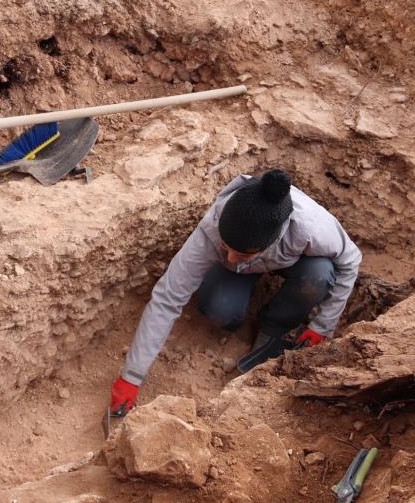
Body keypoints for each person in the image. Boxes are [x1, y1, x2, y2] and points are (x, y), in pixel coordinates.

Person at [109, 168, 362, 415]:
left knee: (318, 275)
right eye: (225, 247)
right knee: (220, 309)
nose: (230, 256)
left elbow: (350, 260)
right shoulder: (212, 227)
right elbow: (167, 298)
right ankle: (239, 301)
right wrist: (131, 377)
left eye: (241, 253)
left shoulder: (311, 227)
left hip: (294, 264)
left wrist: (322, 326)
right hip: (237, 273)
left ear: (270, 242)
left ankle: (271, 328)